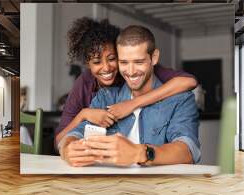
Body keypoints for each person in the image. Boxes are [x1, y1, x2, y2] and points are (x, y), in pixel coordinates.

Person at [58, 25, 200, 167]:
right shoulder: (105, 97)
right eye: (124, 62)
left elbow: (187, 151)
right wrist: (68, 150)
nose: (131, 72)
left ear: (154, 57)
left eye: (139, 62)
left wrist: (138, 153)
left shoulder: (181, 99)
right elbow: (74, 135)